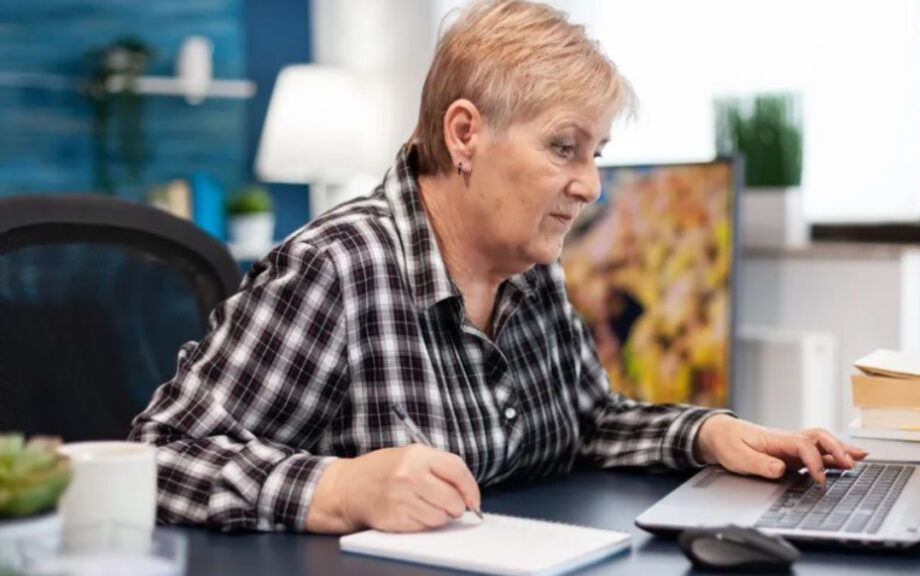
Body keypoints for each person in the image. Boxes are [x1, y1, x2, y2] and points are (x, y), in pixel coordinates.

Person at [129, 0, 866, 535]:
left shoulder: (530, 271)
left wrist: (709, 436)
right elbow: (153, 461)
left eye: (596, 154)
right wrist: (341, 486)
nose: (590, 185)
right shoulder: (338, 269)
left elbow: (587, 424)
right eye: (563, 148)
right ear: (464, 135)